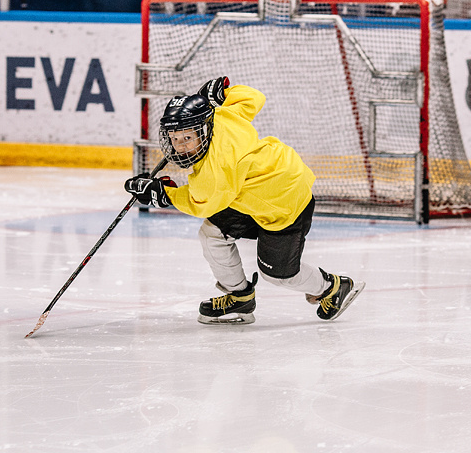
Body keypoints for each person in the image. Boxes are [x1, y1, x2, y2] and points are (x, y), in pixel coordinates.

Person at [124, 77, 365, 324]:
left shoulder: (218, 168)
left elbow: (202, 203)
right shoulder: (221, 117)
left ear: (204, 129)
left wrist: (164, 195)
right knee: (212, 234)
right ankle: (240, 297)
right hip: (257, 188)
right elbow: (253, 98)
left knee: (279, 274)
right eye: (174, 139)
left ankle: (332, 287)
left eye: (187, 138)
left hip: (284, 201)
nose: (179, 147)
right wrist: (224, 95)